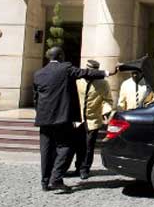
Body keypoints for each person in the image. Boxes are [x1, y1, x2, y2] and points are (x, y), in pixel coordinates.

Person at [33, 46, 112, 193]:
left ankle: (45, 182)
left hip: (44, 120)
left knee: (46, 151)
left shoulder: (39, 73)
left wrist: (41, 113)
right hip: (61, 119)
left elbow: (36, 98)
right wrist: (107, 72)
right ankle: (56, 179)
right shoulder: (65, 68)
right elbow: (84, 72)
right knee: (66, 147)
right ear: (61, 56)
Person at [70, 59, 114, 180]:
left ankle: (85, 169)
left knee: (89, 146)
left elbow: (108, 100)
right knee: (78, 145)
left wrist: (106, 111)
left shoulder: (103, 83)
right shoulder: (78, 81)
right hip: (78, 119)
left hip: (93, 120)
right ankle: (78, 167)